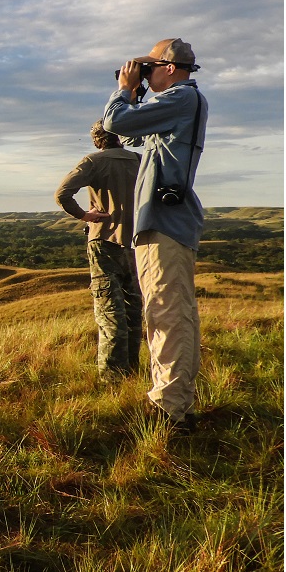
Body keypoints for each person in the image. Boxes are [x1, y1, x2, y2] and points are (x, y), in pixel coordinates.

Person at [103, 38, 207, 432]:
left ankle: (172, 410)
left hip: (165, 221)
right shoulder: (177, 104)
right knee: (171, 311)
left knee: (167, 313)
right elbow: (129, 138)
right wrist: (140, 92)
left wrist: (125, 91)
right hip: (164, 221)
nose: (143, 75)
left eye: (149, 69)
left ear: (168, 67)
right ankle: (174, 400)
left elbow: (115, 123)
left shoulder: (182, 97)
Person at [54, 120, 143, 382]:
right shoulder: (138, 160)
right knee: (132, 310)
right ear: (120, 137)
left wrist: (86, 216)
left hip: (104, 242)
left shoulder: (93, 161)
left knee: (109, 311)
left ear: (97, 140)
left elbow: (62, 194)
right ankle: (132, 371)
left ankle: (112, 379)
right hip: (137, 243)